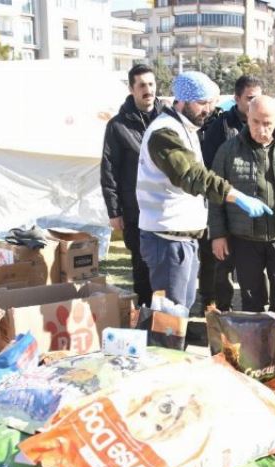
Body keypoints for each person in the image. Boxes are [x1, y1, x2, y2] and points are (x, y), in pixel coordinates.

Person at [136, 71, 272, 310]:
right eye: (201, 103)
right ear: (182, 100)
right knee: (169, 315)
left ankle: (175, 345)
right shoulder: (165, 133)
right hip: (166, 238)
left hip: (182, 238)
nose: (208, 109)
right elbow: (192, 175)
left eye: (211, 103)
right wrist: (236, 195)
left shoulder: (185, 128)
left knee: (180, 310)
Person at [209, 96, 275, 317]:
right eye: (255, 121)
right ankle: (254, 348)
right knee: (251, 299)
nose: (261, 129)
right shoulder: (228, 150)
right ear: (247, 117)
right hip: (245, 238)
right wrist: (218, 235)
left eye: (267, 123)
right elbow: (216, 194)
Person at [198, 75, 264, 312]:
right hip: (224, 204)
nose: (254, 101)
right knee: (219, 264)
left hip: (252, 210)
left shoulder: (264, 124)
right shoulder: (221, 126)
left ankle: (253, 313)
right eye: (250, 98)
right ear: (236, 98)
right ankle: (217, 309)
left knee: (252, 267)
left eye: (258, 97)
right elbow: (208, 168)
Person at [100, 64, 164, 307]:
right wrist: (114, 211)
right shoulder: (117, 126)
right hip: (135, 210)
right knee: (142, 266)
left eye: (151, 84)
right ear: (131, 89)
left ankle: (168, 323)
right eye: (142, 85)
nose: (147, 90)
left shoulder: (168, 119)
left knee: (166, 267)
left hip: (165, 208)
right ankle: (146, 316)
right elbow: (109, 170)